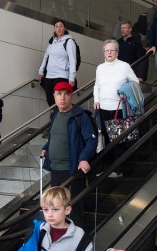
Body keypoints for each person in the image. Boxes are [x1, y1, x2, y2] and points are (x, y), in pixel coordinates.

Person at [41, 82, 97, 226]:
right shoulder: (54, 115)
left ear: (71, 96)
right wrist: (46, 147)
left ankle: (78, 244)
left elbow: (91, 141)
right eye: (59, 94)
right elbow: (53, 136)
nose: (63, 98)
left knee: (74, 209)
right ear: (54, 96)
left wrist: (84, 158)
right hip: (56, 170)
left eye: (66, 94)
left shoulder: (80, 116)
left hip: (72, 171)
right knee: (56, 208)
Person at [94, 39, 140, 179]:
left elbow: (135, 82)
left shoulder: (124, 66)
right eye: (106, 50)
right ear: (104, 53)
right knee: (105, 140)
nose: (109, 53)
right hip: (103, 109)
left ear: (117, 52)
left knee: (118, 141)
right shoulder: (100, 68)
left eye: (111, 50)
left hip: (118, 109)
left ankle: (118, 170)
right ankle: (105, 168)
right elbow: (97, 85)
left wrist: (124, 92)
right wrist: (96, 99)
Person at [38, 18, 78, 106]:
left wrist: (72, 77)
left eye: (61, 26)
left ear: (64, 28)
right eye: (56, 26)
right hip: (49, 75)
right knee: (50, 101)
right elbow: (46, 57)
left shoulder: (69, 41)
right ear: (54, 29)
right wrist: (41, 72)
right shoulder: (52, 42)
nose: (59, 28)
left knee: (59, 102)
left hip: (62, 75)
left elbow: (72, 60)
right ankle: (54, 118)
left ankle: (59, 118)